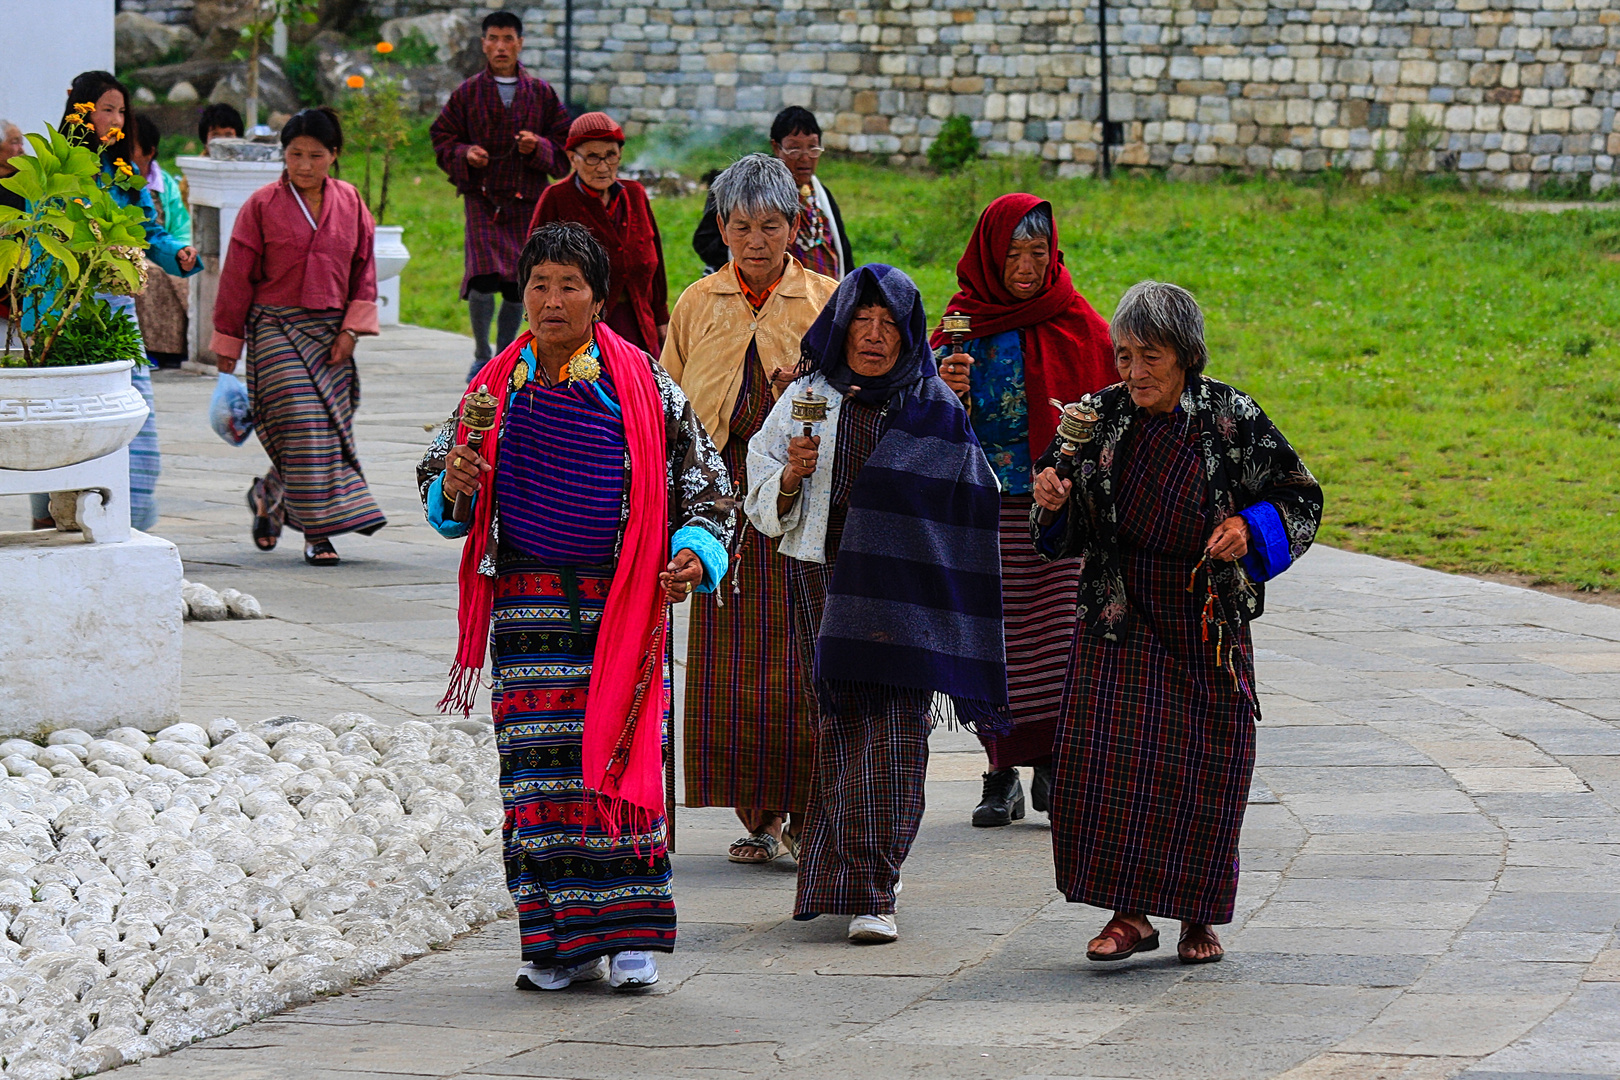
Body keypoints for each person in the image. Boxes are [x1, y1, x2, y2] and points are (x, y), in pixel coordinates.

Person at [418, 222, 732, 992]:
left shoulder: (645, 387)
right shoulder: (491, 389)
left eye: (568, 286)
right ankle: (555, 942)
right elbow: (440, 487)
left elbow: (709, 486)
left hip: (621, 609)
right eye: (538, 285)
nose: (550, 301)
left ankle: (629, 940)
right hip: (527, 615)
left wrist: (693, 553)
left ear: (598, 298)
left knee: (620, 768)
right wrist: (456, 480)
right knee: (540, 776)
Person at [1031, 281, 1322, 965]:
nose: (1133, 373)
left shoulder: (1231, 417)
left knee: (1205, 766)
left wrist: (1248, 529)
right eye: (1124, 356)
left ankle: (1198, 916)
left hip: (1204, 618)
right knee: (1107, 764)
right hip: (1117, 611)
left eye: (1150, 356)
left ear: (1186, 355)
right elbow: (1057, 509)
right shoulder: (1096, 416)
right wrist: (1050, 495)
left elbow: (1300, 498)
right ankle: (1126, 915)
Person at [746, 264, 1008, 944]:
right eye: (860, 321)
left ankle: (876, 887)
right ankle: (850, 873)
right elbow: (758, 474)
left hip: (903, 589)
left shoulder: (931, 403)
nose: (872, 336)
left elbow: (973, 492)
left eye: (888, 324)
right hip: (823, 577)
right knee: (839, 722)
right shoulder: (807, 395)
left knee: (895, 728)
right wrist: (791, 475)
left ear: (908, 332)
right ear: (839, 325)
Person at [660, 154, 838, 866]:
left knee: (802, 654)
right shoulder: (698, 303)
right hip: (720, 502)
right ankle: (758, 815)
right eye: (741, 227)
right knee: (731, 660)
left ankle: (804, 810)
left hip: (799, 497)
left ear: (794, 227)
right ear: (722, 229)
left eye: (771, 226)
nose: (757, 241)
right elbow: (669, 404)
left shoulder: (827, 299)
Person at [932, 193, 1118, 829]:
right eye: (1014, 253)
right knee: (994, 639)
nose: (1027, 266)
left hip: (1054, 509)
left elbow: (1109, 406)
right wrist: (943, 386)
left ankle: (1054, 766)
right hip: (980, 506)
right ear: (990, 254)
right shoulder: (960, 324)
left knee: (1057, 635)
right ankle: (999, 771)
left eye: (1038, 253)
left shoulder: (1077, 322)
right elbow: (918, 410)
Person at [210, 107, 385, 566]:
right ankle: (318, 534)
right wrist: (228, 344)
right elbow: (236, 277)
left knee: (326, 429)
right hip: (273, 329)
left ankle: (270, 492)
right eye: (294, 155)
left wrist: (352, 329)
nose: (303, 165)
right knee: (307, 425)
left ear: (334, 156)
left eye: (315, 155)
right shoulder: (261, 205)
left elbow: (364, 269)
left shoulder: (350, 202)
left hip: (330, 332)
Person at [29, 73, 201, 533]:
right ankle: (52, 521)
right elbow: (40, 242)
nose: (116, 119)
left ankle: (131, 529)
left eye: (122, 111)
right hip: (61, 316)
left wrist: (177, 255)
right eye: (106, 109)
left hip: (117, 317)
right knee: (61, 429)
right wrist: (35, 319)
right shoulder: (57, 167)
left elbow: (148, 234)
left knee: (135, 428)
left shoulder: (125, 175)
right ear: (81, 111)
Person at [430, 9, 571, 381]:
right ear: (483, 44)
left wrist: (538, 146)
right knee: (481, 278)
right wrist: (465, 154)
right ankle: (480, 352)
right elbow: (442, 137)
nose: (500, 46)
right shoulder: (467, 93)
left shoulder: (540, 93)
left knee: (516, 282)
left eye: (508, 39)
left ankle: (506, 354)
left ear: (520, 44)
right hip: (482, 198)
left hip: (526, 202)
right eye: (493, 39)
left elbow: (563, 146)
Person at [527, 112, 667, 355]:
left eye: (611, 156)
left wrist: (661, 319)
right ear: (573, 158)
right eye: (592, 157)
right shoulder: (557, 199)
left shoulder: (635, 195)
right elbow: (532, 268)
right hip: (578, 335)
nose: (603, 167)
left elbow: (657, 265)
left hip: (639, 329)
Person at [693, 107, 852, 279]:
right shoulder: (748, 189)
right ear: (776, 147)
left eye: (813, 148)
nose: (805, 158)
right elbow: (705, 241)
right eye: (794, 149)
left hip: (820, 300)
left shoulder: (820, 196)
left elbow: (842, 249)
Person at [131, 114, 192, 369]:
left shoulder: (165, 183)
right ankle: (150, 349)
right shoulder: (115, 179)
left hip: (162, 247)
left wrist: (181, 251)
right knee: (147, 274)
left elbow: (181, 226)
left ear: (149, 152)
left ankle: (176, 349)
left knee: (181, 271)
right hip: (129, 250)